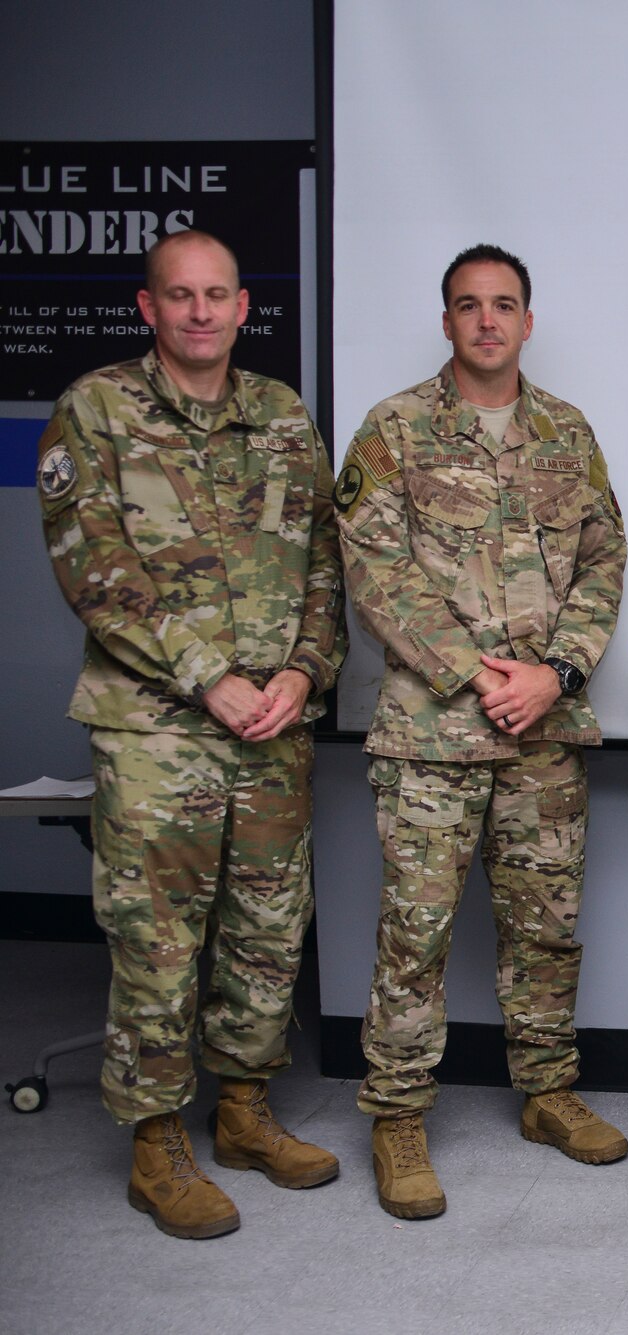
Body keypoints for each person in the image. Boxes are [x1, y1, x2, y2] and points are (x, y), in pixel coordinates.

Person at [37, 229, 347, 1239]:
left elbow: (321, 569)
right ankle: (155, 1141)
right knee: (159, 942)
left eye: (217, 295)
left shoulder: (281, 416)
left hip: (273, 725)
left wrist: (303, 671)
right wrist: (209, 677)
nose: (201, 311)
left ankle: (245, 1112)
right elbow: (96, 571)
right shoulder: (97, 411)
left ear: (243, 307)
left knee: (266, 931)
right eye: (182, 296)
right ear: (148, 307)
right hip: (156, 730)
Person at [337, 244, 627, 1219]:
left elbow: (602, 563)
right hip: (431, 735)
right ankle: (398, 1117)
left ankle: (546, 1094)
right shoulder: (395, 431)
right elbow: (373, 572)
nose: (488, 321)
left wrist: (557, 673)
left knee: (544, 932)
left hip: (544, 732)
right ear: (449, 321)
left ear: (528, 321)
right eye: (469, 306)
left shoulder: (567, 432)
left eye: (505, 305)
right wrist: (472, 674)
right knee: (414, 935)